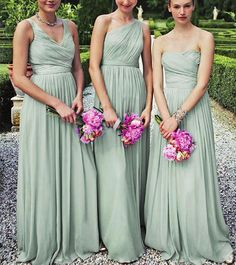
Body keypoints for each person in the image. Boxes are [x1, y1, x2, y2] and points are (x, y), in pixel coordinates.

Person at [144, 0, 234, 264]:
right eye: (176, 6)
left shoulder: (205, 38)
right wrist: (166, 119)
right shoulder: (159, 42)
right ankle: (169, 231)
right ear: (169, 9)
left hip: (193, 111)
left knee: (195, 171)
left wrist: (178, 117)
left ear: (193, 7)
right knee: (169, 171)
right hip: (167, 109)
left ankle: (202, 235)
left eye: (186, 5)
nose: (181, 11)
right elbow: (157, 86)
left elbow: (202, 84)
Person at [13, 0, 99, 264]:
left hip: (70, 105)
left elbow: (76, 68)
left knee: (78, 166)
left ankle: (78, 236)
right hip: (42, 107)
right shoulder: (25, 28)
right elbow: (19, 76)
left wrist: (78, 96)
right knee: (45, 166)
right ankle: (47, 237)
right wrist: (56, 103)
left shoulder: (71, 26)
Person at [89, 0, 152, 262]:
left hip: (134, 95)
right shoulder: (103, 21)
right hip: (108, 96)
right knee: (112, 166)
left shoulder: (143, 28)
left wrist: (148, 106)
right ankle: (114, 232)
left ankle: (134, 222)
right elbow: (93, 66)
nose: (126, 1)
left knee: (133, 163)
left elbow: (148, 69)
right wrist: (106, 106)